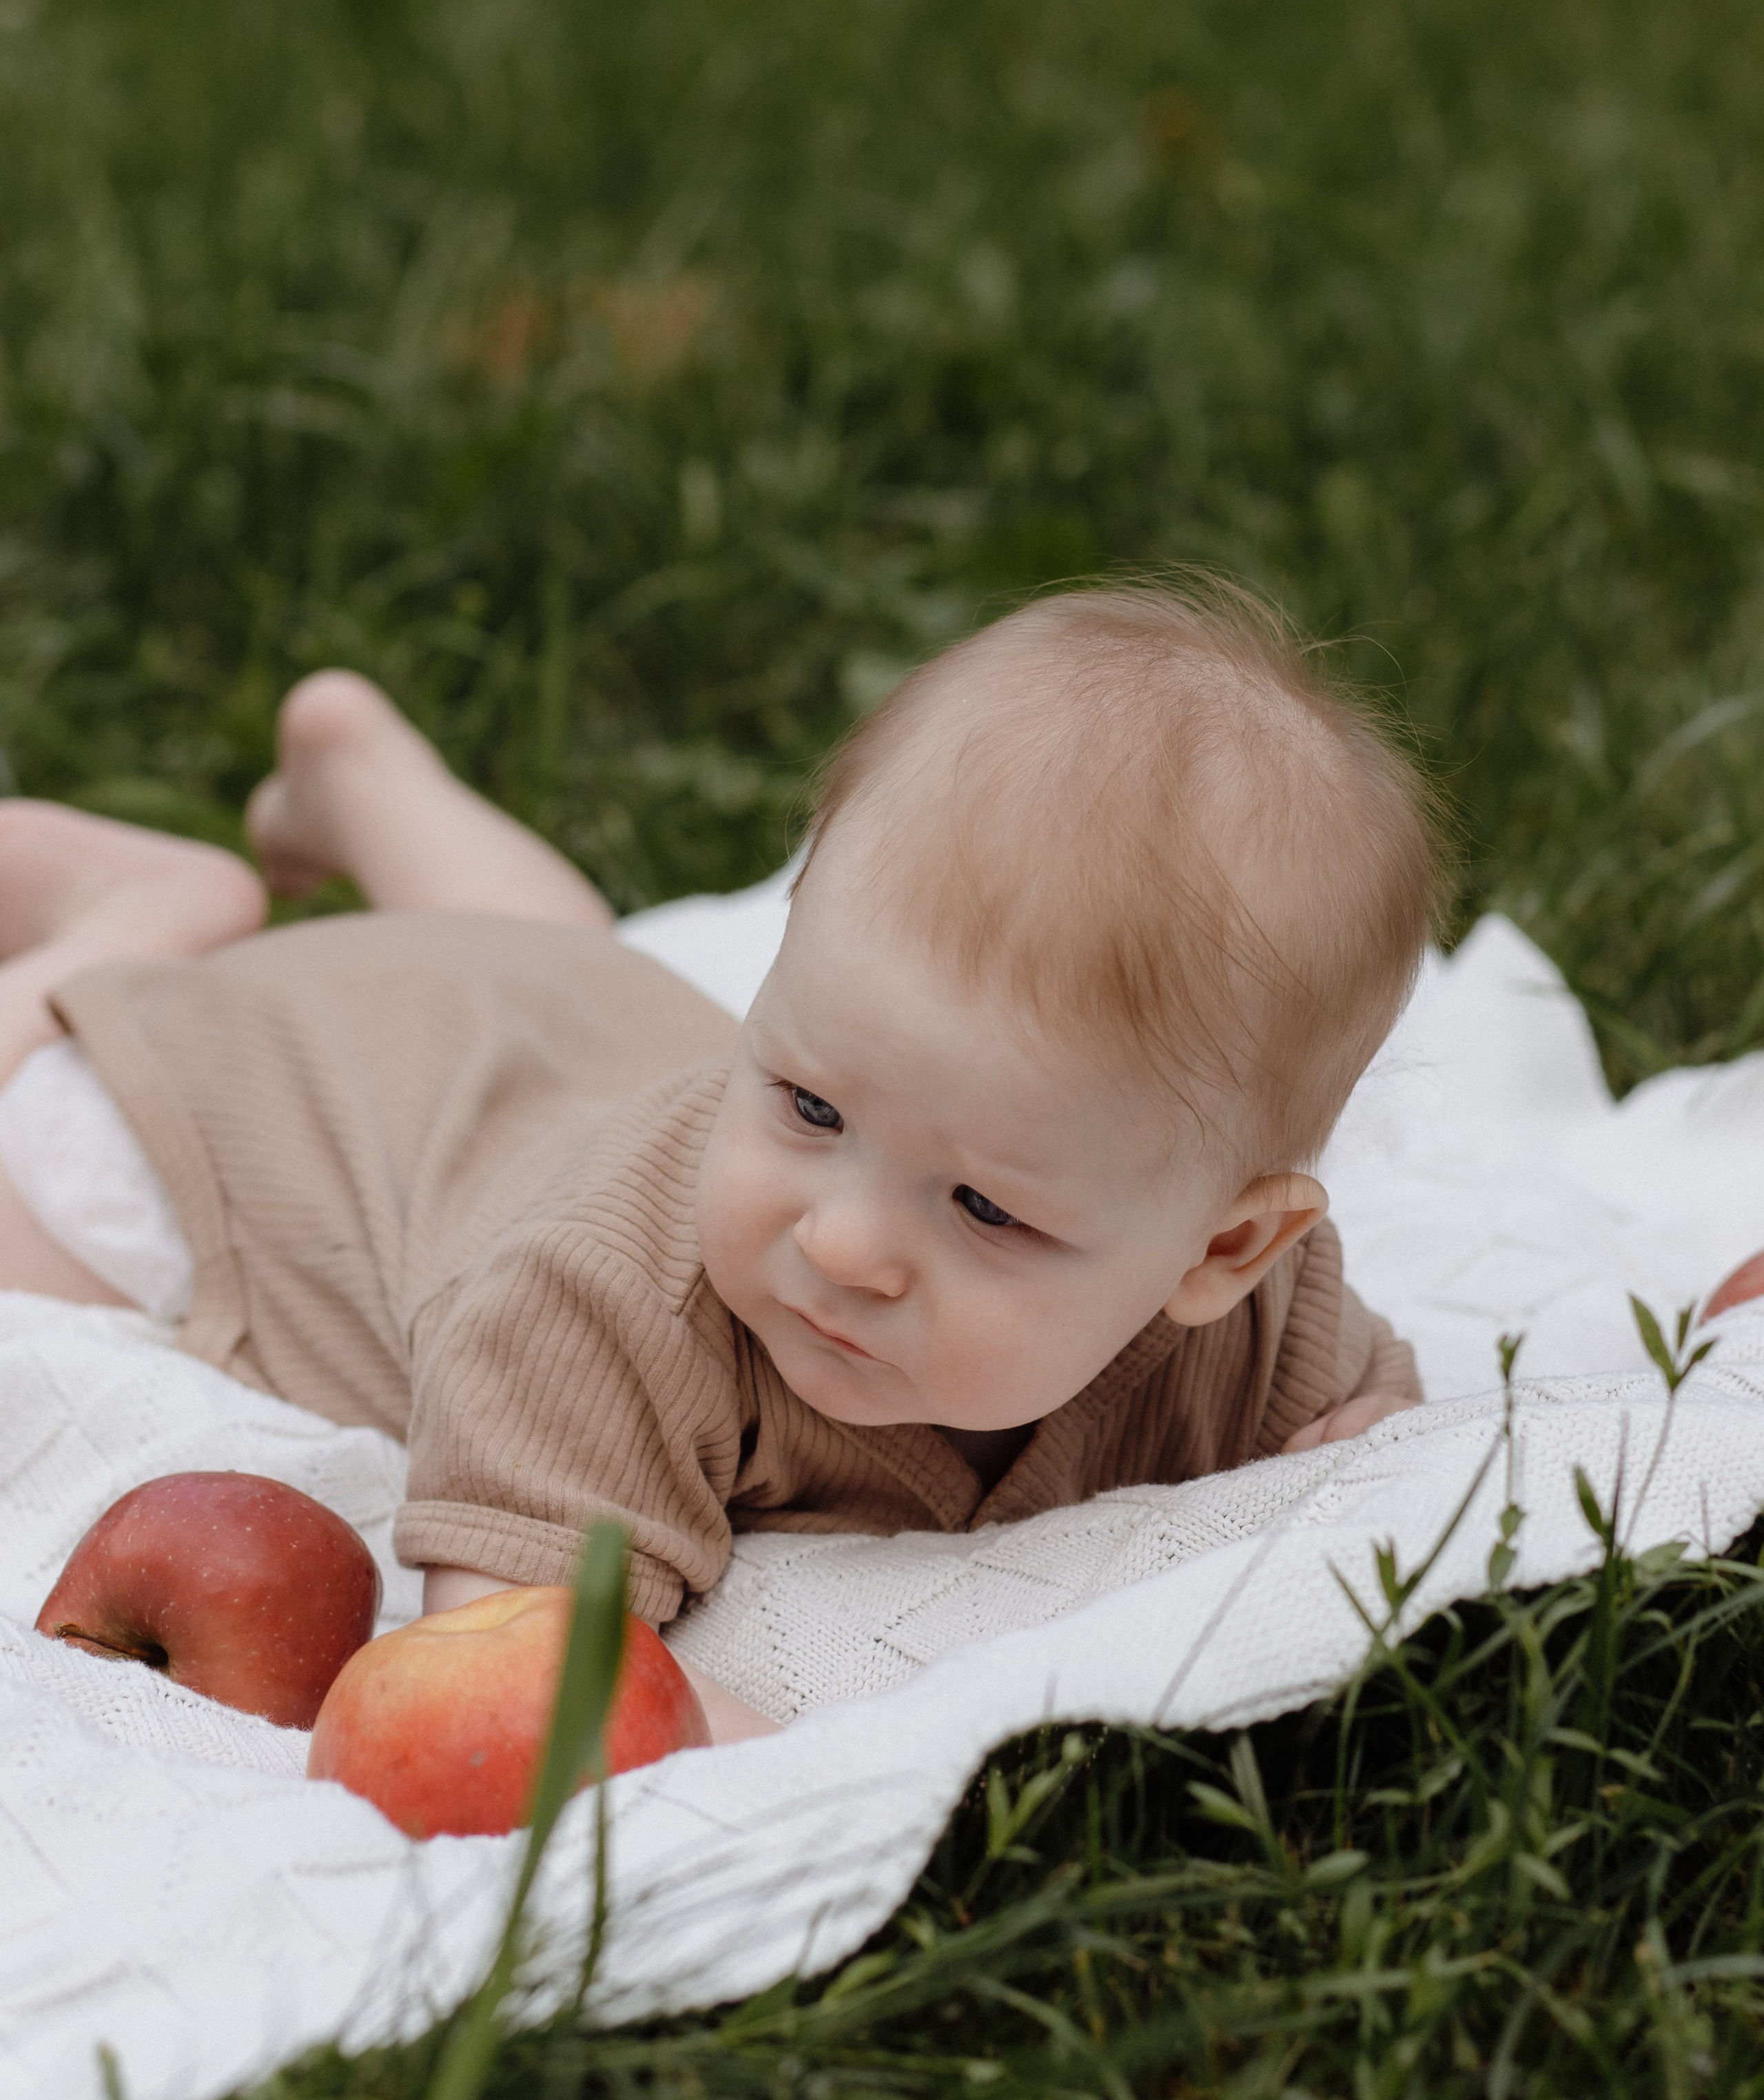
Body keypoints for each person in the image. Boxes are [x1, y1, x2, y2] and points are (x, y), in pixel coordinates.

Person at [0, 581, 1437, 1742]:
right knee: (47, 1173)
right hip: (269, 1099)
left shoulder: (1258, 1321)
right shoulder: (599, 1303)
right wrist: (760, 1748)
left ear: (1219, 1250)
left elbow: (1367, 1425)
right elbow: (508, 1659)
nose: (839, 1245)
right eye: (808, 1106)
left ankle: (364, 778)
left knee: (569, 966)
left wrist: (1363, 1451)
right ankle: (132, 919)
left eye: (986, 1208)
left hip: (551, 1025)